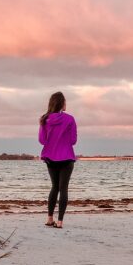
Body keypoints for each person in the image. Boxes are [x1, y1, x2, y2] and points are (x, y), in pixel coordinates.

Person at [38, 91, 77, 228]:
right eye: (65, 102)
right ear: (62, 104)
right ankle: (59, 222)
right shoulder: (70, 119)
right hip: (67, 158)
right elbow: (73, 141)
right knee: (63, 188)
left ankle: (50, 219)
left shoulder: (44, 119)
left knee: (54, 187)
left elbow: (42, 141)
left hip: (51, 158)